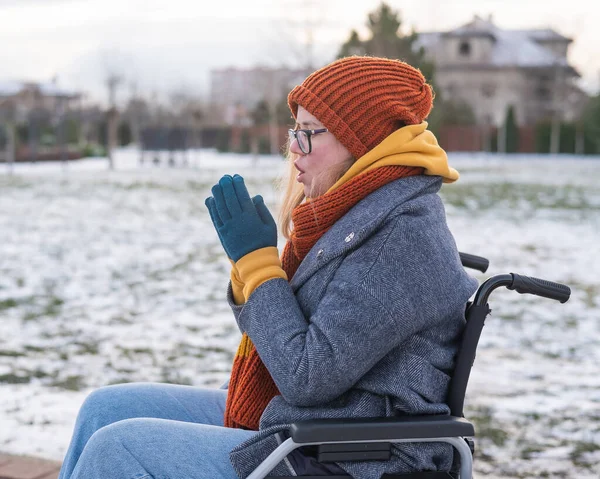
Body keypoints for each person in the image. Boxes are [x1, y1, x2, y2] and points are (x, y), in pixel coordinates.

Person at [57, 56, 478, 479]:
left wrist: (259, 266)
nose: (294, 147)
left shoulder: (399, 237)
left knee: (120, 448)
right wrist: (249, 269)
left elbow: (306, 376)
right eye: (296, 131)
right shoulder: (355, 213)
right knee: (104, 409)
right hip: (312, 425)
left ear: (362, 141)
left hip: (350, 454)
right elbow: (285, 343)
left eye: (310, 134)